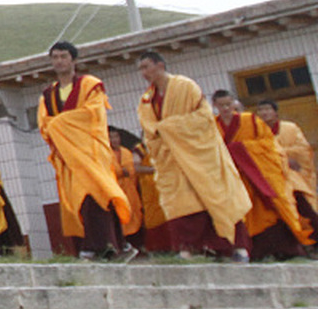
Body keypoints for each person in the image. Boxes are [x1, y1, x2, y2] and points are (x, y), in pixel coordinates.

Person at [136, 55, 250, 260]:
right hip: (172, 161)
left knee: (217, 196)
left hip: (201, 156)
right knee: (180, 202)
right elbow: (149, 132)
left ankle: (235, 247)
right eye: (140, 69)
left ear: (160, 65)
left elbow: (203, 118)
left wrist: (167, 128)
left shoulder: (185, 87)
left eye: (146, 67)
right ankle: (188, 248)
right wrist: (162, 136)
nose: (143, 73)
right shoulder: (146, 100)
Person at [37, 41, 134, 260]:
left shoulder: (90, 85)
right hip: (68, 158)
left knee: (98, 194)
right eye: (55, 57)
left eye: (63, 56)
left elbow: (92, 116)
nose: (59, 61)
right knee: (78, 200)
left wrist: (58, 125)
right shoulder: (49, 94)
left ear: (74, 60)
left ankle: (109, 245)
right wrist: (58, 128)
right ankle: (92, 247)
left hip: (91, 153)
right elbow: (44, 125)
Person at [214, 89, 314, 260]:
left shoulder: (250, 120)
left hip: (259, 175)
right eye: (221, 105)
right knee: (244, 213)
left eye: (228, 104)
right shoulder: (212, 126)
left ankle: (287, 251)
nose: (225, 108)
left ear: (234, 103)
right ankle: (255, 252)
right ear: (214, 106)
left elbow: (268, 145)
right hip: (235, 178)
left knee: (271, 211)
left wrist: (238, 150)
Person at [257, 100, 318, 242]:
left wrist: (279, 155)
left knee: (303, 206)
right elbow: (257, 153)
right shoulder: (258, 131)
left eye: (267, 109)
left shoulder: (290, 128)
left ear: (275, 112)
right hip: (271, 178)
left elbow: (303, 150)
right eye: (261, 110)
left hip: (293, 176)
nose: (264, 113)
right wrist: (281, 157)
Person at [108, 128, 146, 250]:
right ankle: (123, 246)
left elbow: (131, 169)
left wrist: (126, 171)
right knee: (121, 218)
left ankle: (138, 245)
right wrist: (120, 172)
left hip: (130, 190)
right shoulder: (106, 154)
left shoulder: (126, 152)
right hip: (116, 191)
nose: (114, 140)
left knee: (135, 215)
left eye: (116, 137)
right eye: (111, 137)